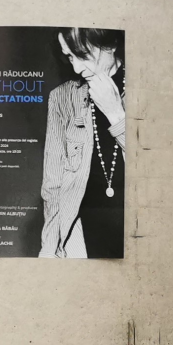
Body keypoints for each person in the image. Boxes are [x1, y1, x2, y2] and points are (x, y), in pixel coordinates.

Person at [40, 28, 127, 258]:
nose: (77, 68)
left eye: (82, 55)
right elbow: (52, 188)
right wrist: (49, 250)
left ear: (111, 45)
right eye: (70, 57)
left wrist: (116, 114)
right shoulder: (62, 98)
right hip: (82, 240)